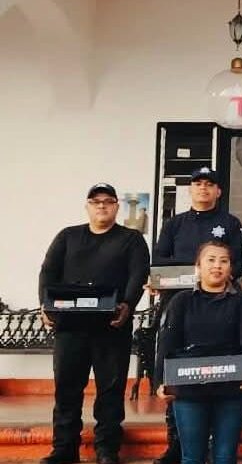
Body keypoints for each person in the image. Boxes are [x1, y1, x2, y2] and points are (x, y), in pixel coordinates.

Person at [38, 183, 150, 464]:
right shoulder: (67, 236)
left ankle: (107, 449)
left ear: (116, 206)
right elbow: (48, 271)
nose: (102, 206)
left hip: (111, 327)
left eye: (108, 201)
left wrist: (127, 305)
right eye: (95, 201)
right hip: (69, 328)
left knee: (110, 391)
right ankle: (64, 448)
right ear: (87, 206)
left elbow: (138, 275)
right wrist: (45, 304)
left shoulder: (132, 239)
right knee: (66, 390)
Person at [152, 166, 242, 464]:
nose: (203, 188)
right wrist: (190, 270)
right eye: (197, 184)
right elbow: (159, 261)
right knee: (180, 380)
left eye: (209, 184)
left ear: (218, 191)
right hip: (178, 303)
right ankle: (175, 445)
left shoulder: (229, 223)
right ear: (190, 190)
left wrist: (203, 270)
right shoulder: (174, 224)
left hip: (222, 305)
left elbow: (241, 263)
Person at [155, 241, 242, 464]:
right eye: (210, 260)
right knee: (192, 457)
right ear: (198, 266)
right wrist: (159, 381)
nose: (217, 266)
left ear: (231, 267)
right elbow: (167, 343)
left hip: (231, 386)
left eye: (224, 261)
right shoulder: (180, 301)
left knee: (225, 456)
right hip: (188, 387)